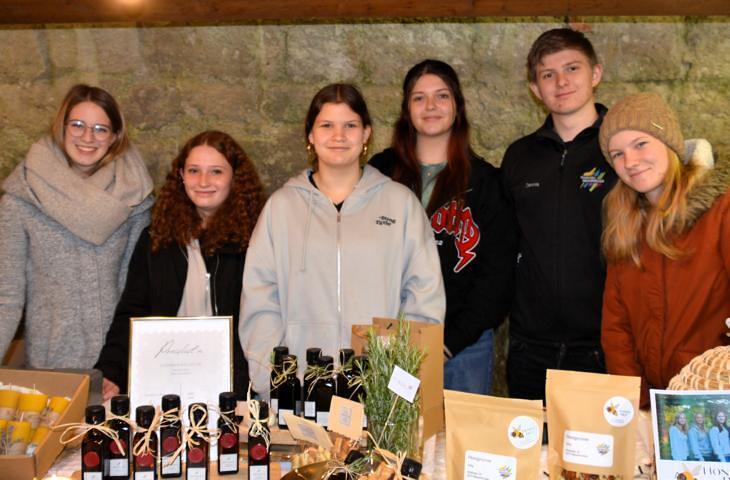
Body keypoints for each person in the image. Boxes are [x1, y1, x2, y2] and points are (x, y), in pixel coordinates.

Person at [240, 83, 445, 395]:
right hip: (301, 389)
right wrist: (276, 382)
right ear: (310, 135)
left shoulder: (400, 204)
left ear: (366, 134)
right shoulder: (281, 208)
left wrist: (399, 385)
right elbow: (260, 300)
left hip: (379, 391)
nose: (339, 136)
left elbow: (423, 299)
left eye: (350, 125)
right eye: (326, 125)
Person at [369, 59, 517, 394]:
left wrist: (450, 343)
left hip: (463, 348)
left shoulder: (486, 182)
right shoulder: (379, 172)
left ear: (457, 106)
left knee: (460, 430)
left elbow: (497, 276)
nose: (431, 106)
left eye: (442, 96)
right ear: (407, 109)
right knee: (387, 429)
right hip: (390, 339)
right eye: (419, 98)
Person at [95, 130, 265, 400]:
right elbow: (132, 312)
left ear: (235, 178)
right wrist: (111, 371)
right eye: (194, 171)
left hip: (236, 388)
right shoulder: (156, 239)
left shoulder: (256, 241)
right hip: (163, 385)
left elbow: (264, 321)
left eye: (216, 172)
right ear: (181, 176)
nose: (203, 181)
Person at [0, 84, 153, 370]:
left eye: (100, 129)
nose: (87, 137)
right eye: (78, 125)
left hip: (117, 364)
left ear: (115, 136)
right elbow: (6, 297)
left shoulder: (134, 196)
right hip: (50, 362)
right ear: (62, 127)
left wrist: (125, 362)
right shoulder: (22, 199)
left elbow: (133, 293)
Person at [500, 28, 617, 400]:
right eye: (548, 74)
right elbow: (505, 245)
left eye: (572, 68)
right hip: (529, 349)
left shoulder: (620, 150)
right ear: (535, 88)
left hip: (603, 345)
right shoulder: (519, 156)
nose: (561, 82)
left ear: (595, 73)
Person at [600, 92, 730, 406]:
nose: (630, 162)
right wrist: (638, 403)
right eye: (617, 154)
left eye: (640, 144)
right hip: (656, 406)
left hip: (713, 400)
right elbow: (617, 328)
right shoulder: (625, 224)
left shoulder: (720, 212)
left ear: (669, 143)